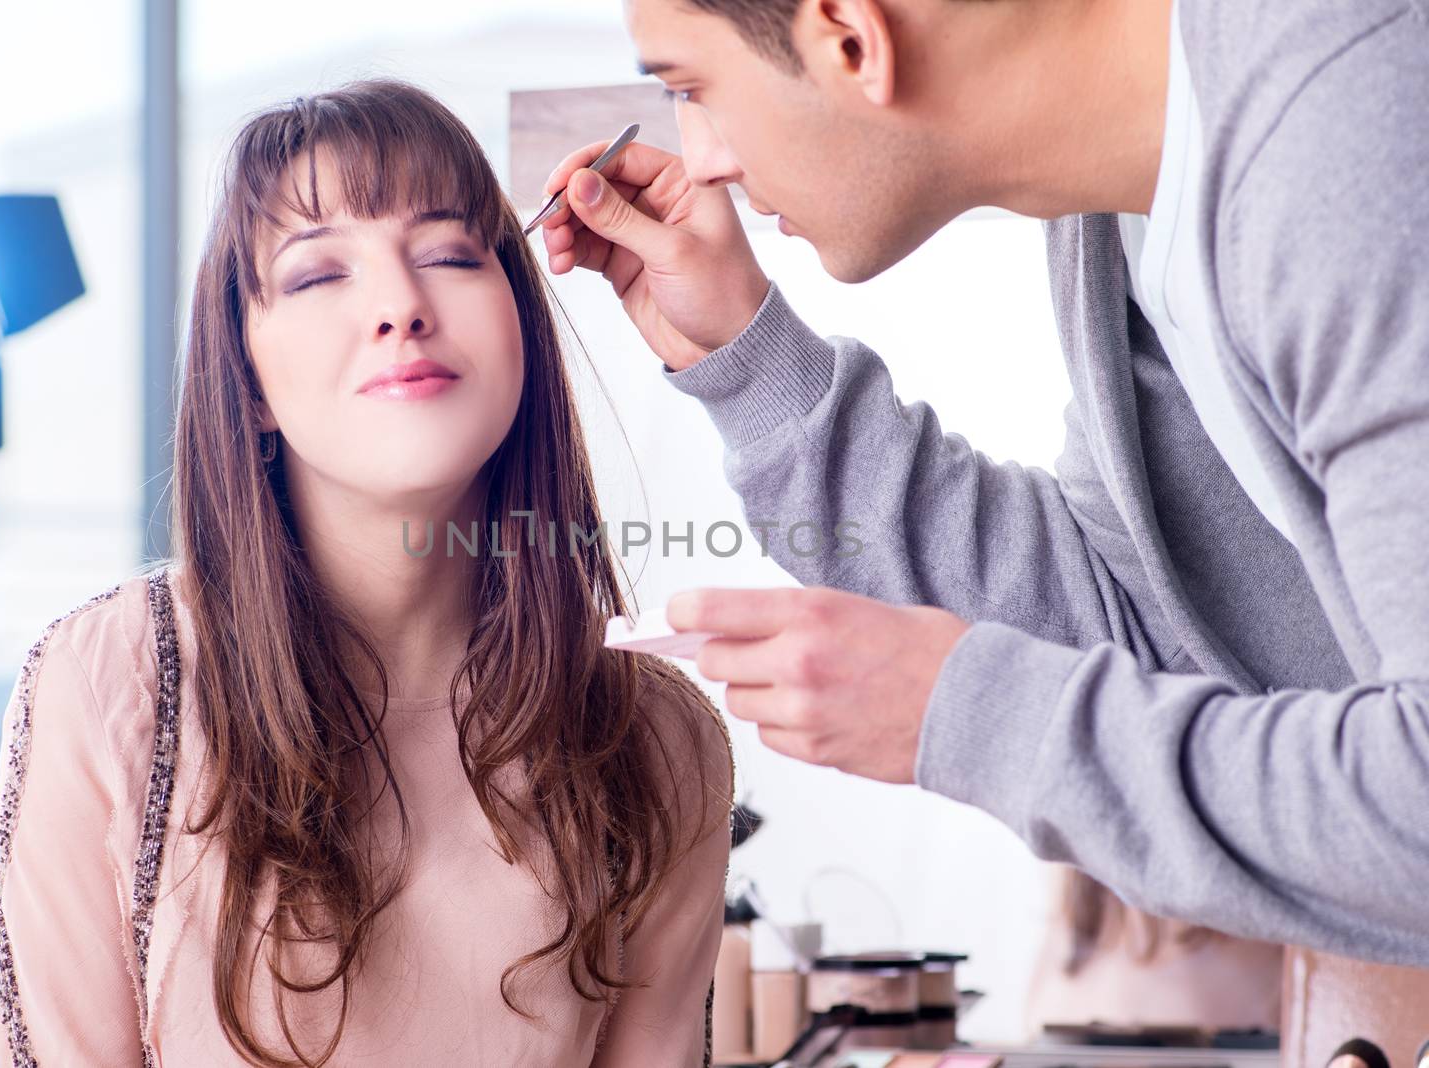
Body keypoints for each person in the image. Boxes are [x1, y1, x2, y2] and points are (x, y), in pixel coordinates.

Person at [537, 0, 1429, 980]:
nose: (697, 158)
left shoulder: (1350, 128)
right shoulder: (1115, 222)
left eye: (691, 90)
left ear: (848, 36)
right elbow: (1143, 620)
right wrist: (748, 359)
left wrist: (963, 712)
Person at [0, 80, 733, 1067]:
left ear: (521, 328)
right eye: (315, 275)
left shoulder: (658, 744)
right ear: (246, 383)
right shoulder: (111, 682)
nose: (400, 307)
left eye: (448, 255)